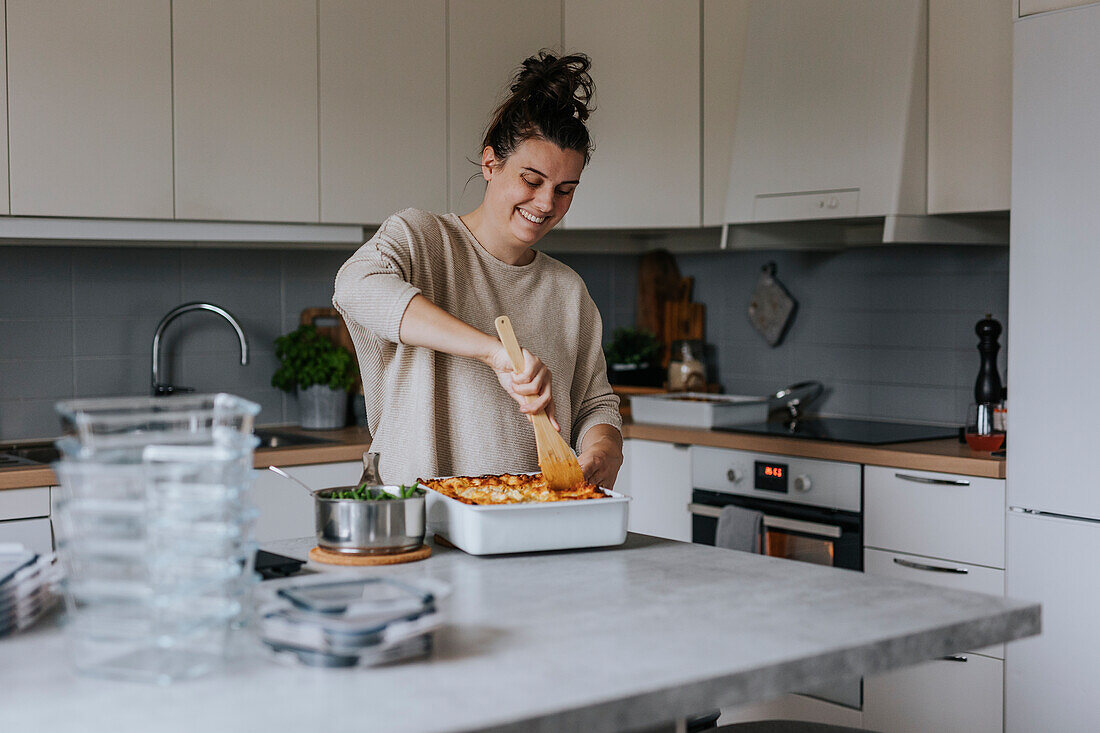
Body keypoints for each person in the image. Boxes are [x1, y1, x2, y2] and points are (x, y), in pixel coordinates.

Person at [332, 51, 622, 488]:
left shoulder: (567, 290)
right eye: (531, 180)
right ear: (490, 164)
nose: (546, 204)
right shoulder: (422, 239)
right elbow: (355, 286)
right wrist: (494, 353)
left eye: (565, 190)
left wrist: (602, 450)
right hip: (417, 519)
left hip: (528, 518)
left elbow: (595, 404)